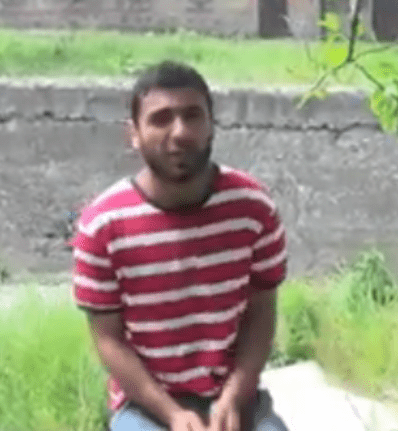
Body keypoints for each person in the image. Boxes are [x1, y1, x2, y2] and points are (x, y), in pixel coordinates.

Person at [70, 60, 290, 431]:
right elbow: (109, 340)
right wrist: (172, 414)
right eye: (160, 119)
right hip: (146, 404)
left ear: (211, 125)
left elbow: (261, 314)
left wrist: (234, 397)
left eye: (192, 116)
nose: (180, 132)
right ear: (134, 134)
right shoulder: (102, 226)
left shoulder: (252, 208)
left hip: (235, 394)